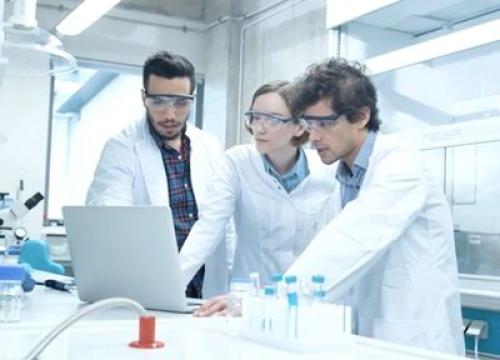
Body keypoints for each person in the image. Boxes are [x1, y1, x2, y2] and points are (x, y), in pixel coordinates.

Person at [285, 58, 465, 355]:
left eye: (324, 123)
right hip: (368, 336)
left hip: (413, 339)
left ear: (361, 117)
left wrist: (276, 298)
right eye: (308, 124)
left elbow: (354, 238)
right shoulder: (344, 178)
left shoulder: (402, 166)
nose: (313, 136)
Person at [179, 81, 336, 316]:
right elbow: (209, 226)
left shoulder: (327, 172)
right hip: (247, 302)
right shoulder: (237, 161)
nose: (259, 129)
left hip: (305, 303)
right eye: (255, 117)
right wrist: (172, 285)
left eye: (272, 119)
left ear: (299, 127)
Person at [86, 51, 234, 299]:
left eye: (180, 103)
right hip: (146, 288)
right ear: (144, 97)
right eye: (159, 102)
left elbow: (223, 223)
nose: (169, 115)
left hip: (206, 288)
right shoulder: (122, 147)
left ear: (192, 99)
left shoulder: (209, 145)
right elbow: (111, 216)